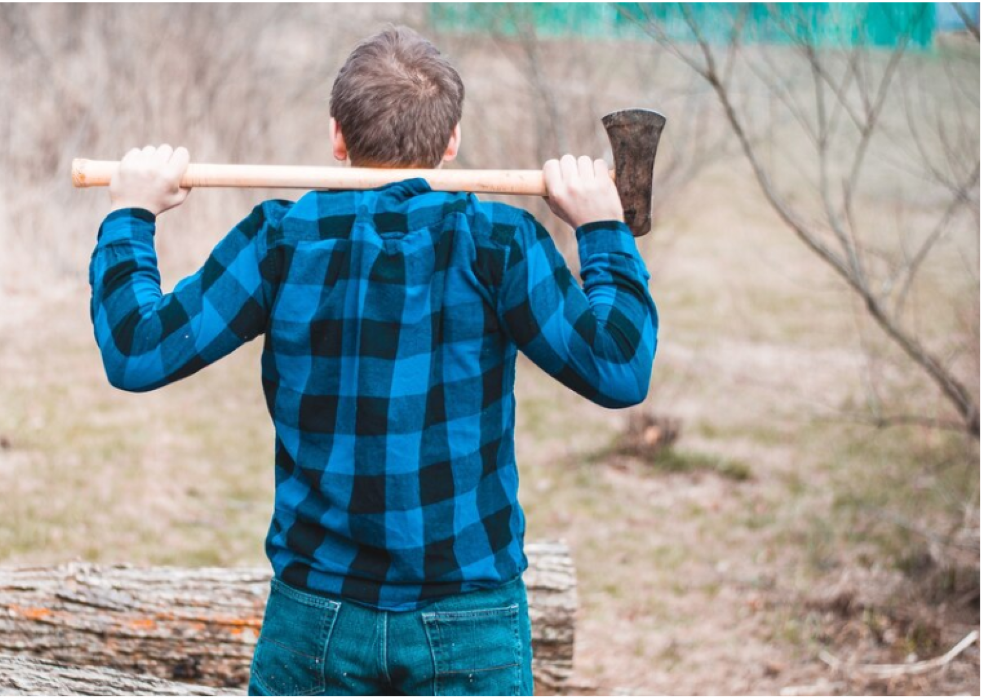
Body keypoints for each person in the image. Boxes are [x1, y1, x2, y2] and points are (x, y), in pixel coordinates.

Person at [88, 24, 657, 698]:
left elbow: (136, 346)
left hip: (318, 617)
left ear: (337, 137)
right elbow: (620, 365)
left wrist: (131, 213)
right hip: (468, 614)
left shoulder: (281, 240)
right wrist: (601, 229)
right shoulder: (499, 242)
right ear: (451, 142)